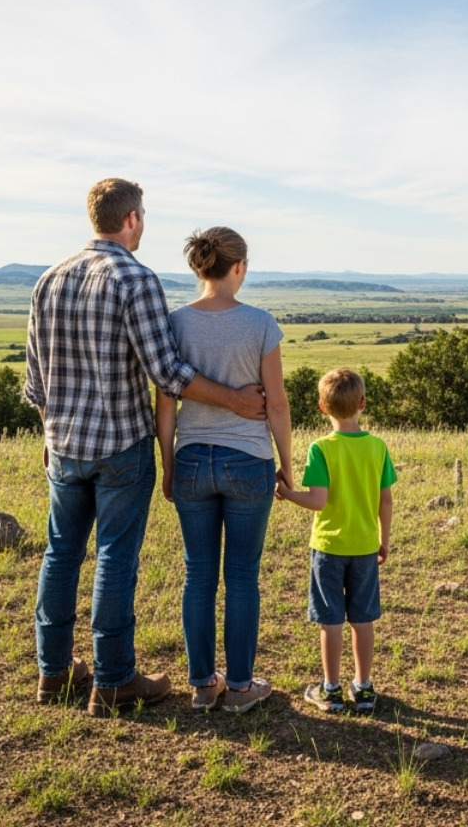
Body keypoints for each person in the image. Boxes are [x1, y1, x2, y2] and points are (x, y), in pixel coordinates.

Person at [24, 178, 268, 717]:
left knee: (60, 554)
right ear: (131, 218)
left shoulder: (49, 278)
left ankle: (54, 672)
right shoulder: (135, 279)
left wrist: (49, 432)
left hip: (64, 444)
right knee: (114, 556)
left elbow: (36, 380)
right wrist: (235, 399)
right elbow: (168, 373)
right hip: (120, 444)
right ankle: (112, 679)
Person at [155, 227, 292, 714]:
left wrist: (169, 466)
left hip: (192, 458)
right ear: (240, 268)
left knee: (198, 575)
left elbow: (166, 405)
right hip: (247, 461)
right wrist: (287, 466)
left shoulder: (174, 323)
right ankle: (239, 687)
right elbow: (276, 404)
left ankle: (200, 685)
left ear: (199, 267)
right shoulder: (260, 324)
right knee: (241, 576)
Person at [275, 368, 396, 714]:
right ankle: (365, 689)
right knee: (363, 619)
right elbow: (385, 500)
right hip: (365, 546)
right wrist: (383, 540)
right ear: (363, 404)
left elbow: (317, 501)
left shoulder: (320, 449)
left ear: (322, 408)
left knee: (331, 620)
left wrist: (286, 492)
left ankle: (330, 690)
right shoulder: (377, 447)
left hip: (328, 548)